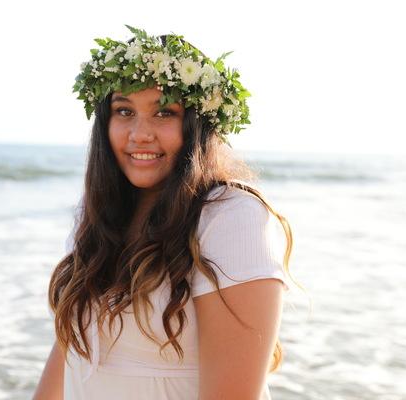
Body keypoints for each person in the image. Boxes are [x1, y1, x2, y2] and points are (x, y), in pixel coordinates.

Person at [33, 25, 297, 400]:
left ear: (197, 124)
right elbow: (71, 355)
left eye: (163, 113)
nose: (139, 133)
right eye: (124, 110)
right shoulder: (101, 219)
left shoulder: (230, 218)